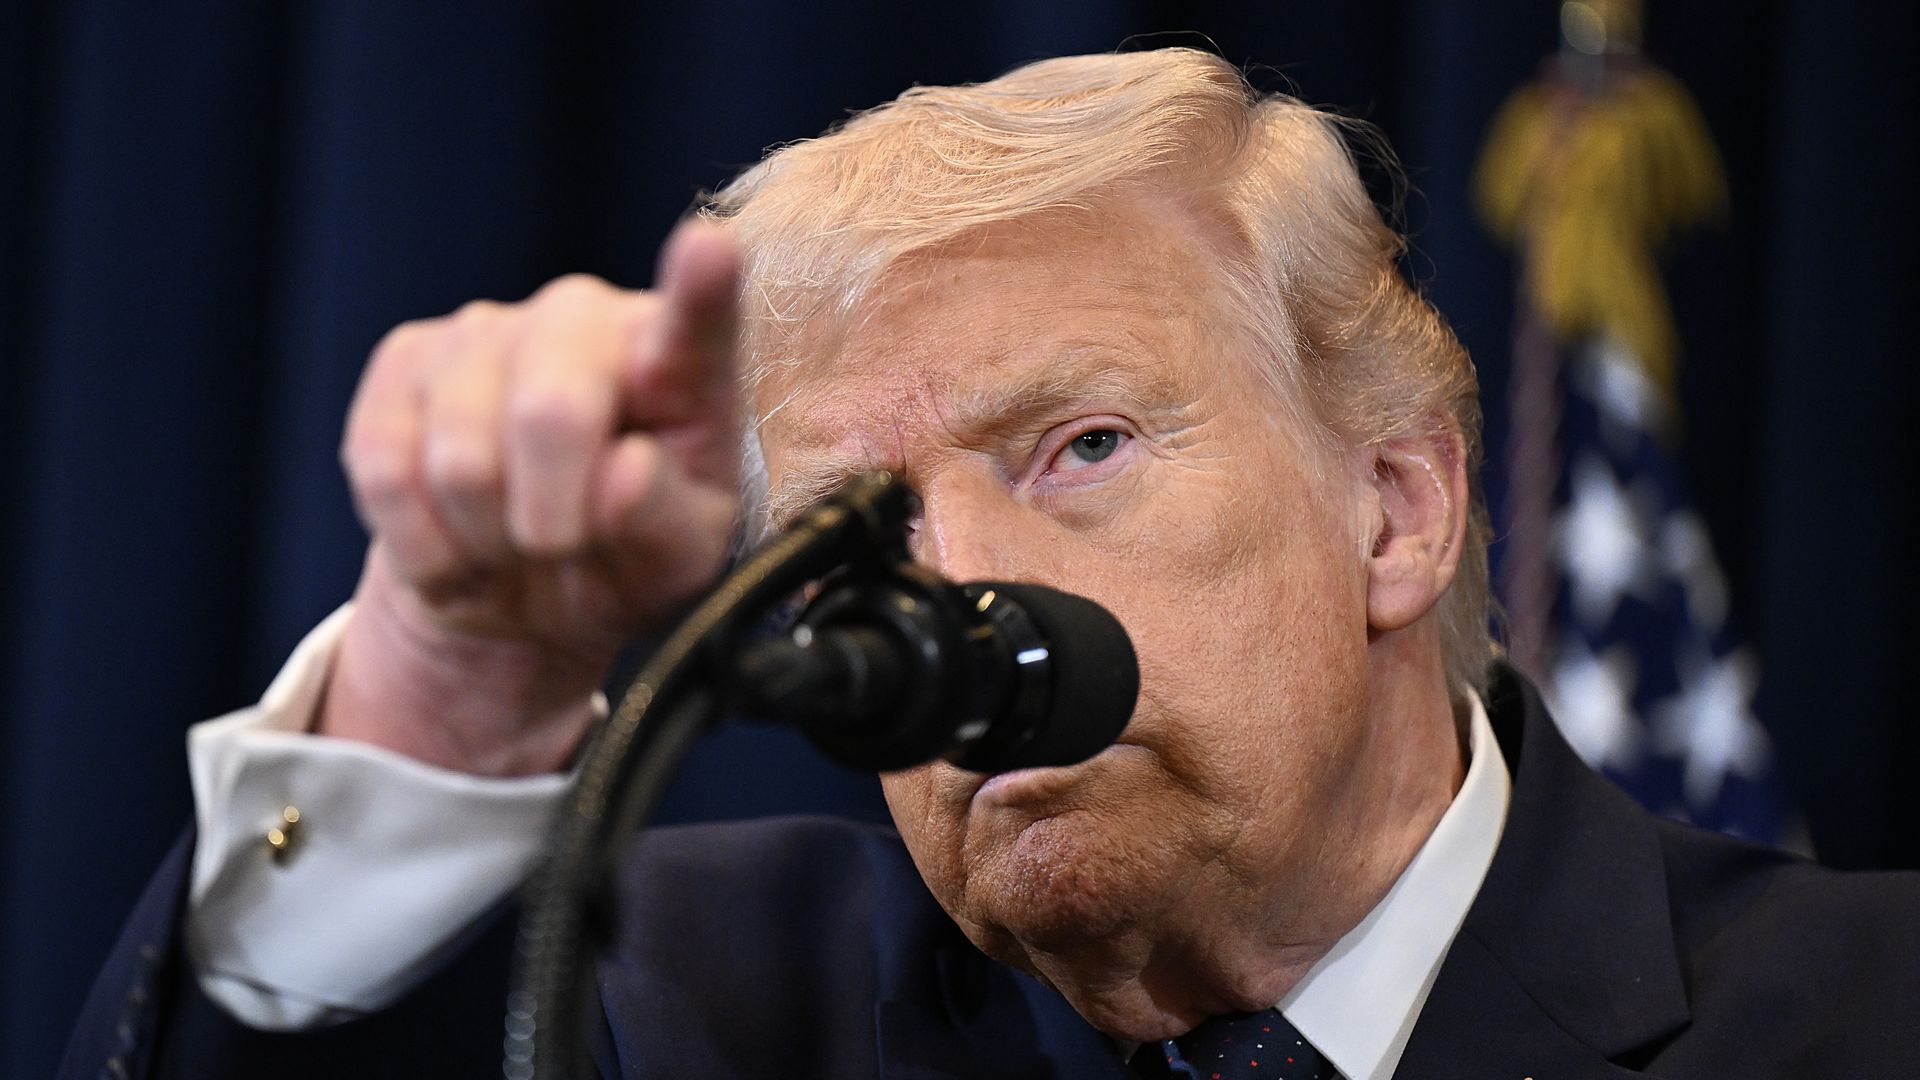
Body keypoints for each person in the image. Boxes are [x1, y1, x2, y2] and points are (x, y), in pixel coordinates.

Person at [64, 48, 1919, 1080]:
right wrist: (444, 688)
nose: (953, 588)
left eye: (1083, 449)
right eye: (848, 534)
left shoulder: (1867, 1016)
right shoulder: (672, 1000)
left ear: (1395, 508)